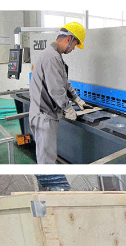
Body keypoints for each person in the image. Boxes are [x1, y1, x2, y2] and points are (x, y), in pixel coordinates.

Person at [29, 22, 87, 163]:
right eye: (75, 45)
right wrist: (68, 108)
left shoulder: (54, 55)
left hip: (44, 114)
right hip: (44, 116)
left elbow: (63, 81)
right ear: (69, 39)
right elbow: (56, 90)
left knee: (47, 156)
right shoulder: (52, 57)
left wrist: (76, 98)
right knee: (46, 161)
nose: (73, 49)